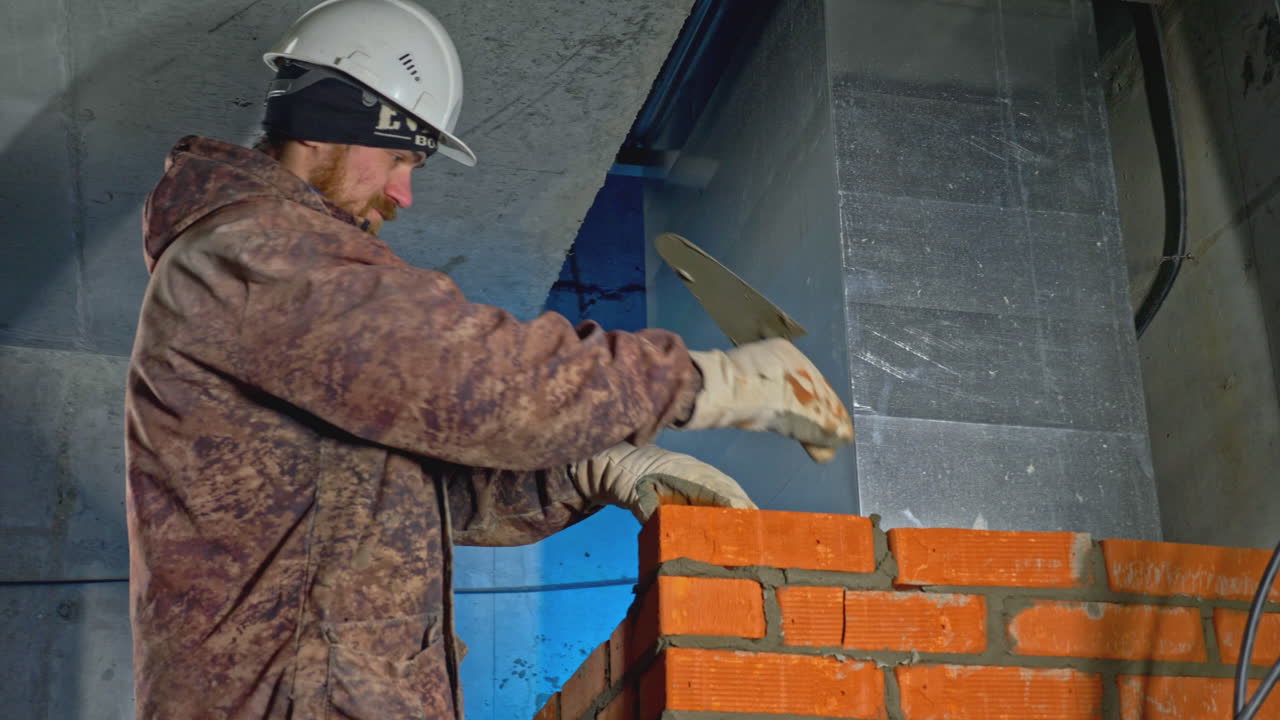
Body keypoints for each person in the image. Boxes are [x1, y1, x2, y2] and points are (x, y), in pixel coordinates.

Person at [124, 0, 853, 717]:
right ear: (326, 125)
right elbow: (467, 378)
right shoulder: (252, 253)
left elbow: (420, 493)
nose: (404, 192)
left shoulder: (280, 288)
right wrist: (697, 381)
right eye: (398, 158)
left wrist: (596, 467)